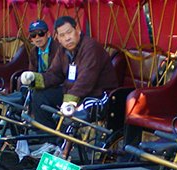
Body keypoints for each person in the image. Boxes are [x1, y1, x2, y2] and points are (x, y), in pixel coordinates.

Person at [20, 15, 118, 148]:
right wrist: (34, 79)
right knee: (40, 96)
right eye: (62, 35)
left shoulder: (90, 47)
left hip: (97, 94)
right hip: (73, 92)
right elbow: (55, 74)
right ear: (58, 38)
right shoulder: (62, 50)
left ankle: (63, 149)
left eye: (69, 32)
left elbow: (86, 80)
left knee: (71, 113)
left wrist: (69, 100)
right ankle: (50, 142)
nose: (67, 38)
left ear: (77, 29)